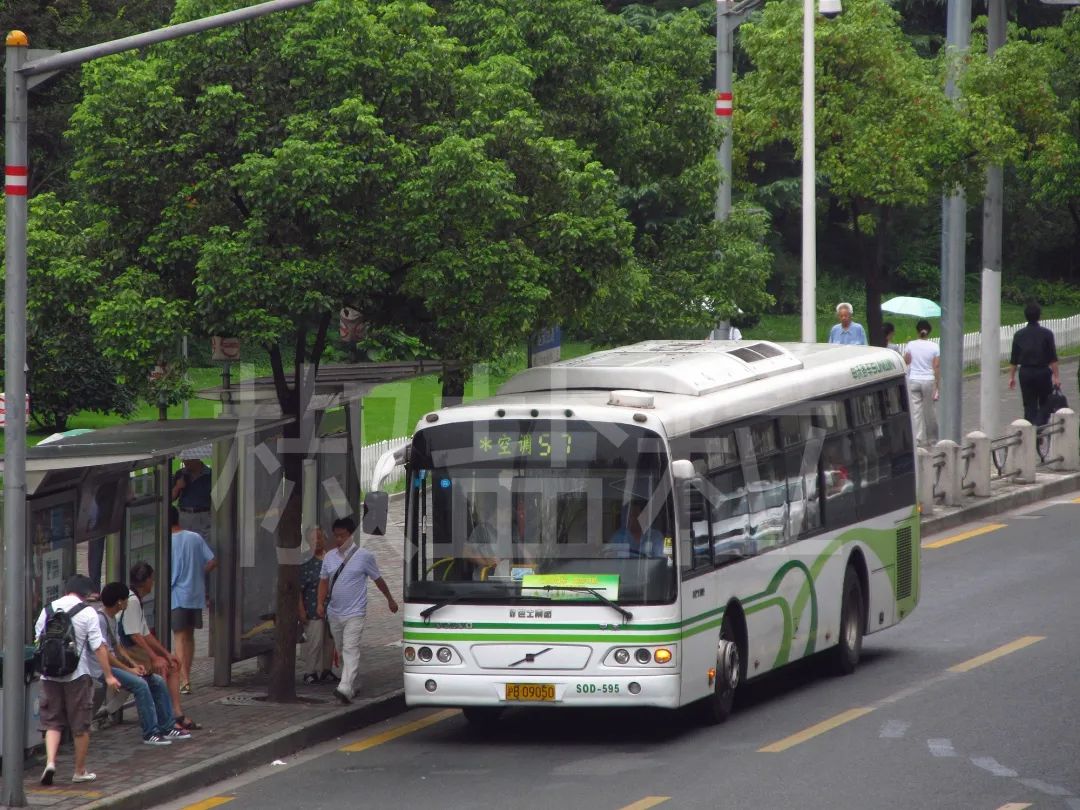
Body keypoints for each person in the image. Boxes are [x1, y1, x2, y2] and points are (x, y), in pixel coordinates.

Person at [34, 574, 120, 786]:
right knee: (80, 725)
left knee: (52, 721)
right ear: (86, 594)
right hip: (77, 675)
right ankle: (79, 770)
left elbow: (38, 642)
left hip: (50, 674)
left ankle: (51, 762)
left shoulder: (47, 609)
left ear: (67, 590)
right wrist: (108, 675)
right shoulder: (88, 613)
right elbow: (99, 646)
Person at [92, 582, 191, 745]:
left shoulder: (112, 619)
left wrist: (133, 665)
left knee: (157, 681)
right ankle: (150, 732)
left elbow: (119, 648)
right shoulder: (100, 620)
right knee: (140, 685)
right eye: (125, 600)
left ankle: (167, 726)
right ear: (119, 602)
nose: (126, 603)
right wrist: (129, 670)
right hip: (101, 668)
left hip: (115, 665)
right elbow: (106, 654)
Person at [317, 517, 398, 705]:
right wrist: (320, 603)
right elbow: (323, 581)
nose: (339, 540)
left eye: (342, 536)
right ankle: (353, 682)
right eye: (336, 536)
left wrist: (390, 600)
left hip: (355, 613)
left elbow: (378, 579)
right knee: (341, 648)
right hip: (334, 612)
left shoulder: (364, 556)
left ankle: (345, 687)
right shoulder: (329, 557)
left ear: (351, 535)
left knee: (350, 648)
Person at [120, 561, 200, 731]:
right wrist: (156, 657)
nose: (153, 583)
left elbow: (145, 633)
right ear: (147, 581)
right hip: (127, 651)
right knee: (165, 668)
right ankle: (169, 717)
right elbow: (135, 635)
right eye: (152, 579)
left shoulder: (135, 599)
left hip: (133, 649)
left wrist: (165, 653)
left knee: (172, 663)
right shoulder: (132, 601)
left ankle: (175, 713)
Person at [169, 505, 217, 695]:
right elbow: (213, 560)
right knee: (189, 636)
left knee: (179, 637)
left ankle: (184, 679)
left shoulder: (167, 542)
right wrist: (199, 572)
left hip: (176, 595)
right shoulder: (195, 538)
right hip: (195, 594)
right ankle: (186, 675)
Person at [1009, 300, 1060, 427]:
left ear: (1025, 315)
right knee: (1045, 402)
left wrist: (1011, 377)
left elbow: (1014, 359)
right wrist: (1056, 376)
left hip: (1025, 373)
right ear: (1039, 315)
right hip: (1042, 372)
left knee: (1029, 404)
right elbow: (1053, 358)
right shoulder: (1047, 334)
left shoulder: (1019, 335)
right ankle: (1040, 427)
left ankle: (1031, 429)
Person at [299, 527, 337, 684]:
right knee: (315, 641)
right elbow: (298, 589)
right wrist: (301, 610)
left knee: (330, 641)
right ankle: (310, 672)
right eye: (314, 538)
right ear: (308, 541)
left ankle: (326, 670)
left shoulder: (332, 558)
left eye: (320, 538)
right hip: (313, 607)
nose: (317, 541)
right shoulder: (304, 561)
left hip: (333, 608)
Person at [904, 319, 941, 447]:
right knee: (930, 410)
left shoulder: (910, 344)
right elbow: (936, 366)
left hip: (913, 379)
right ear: (929, 332)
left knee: (916, 411)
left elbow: (907, 361)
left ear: (917, 331)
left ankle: (918, 438)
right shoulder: (934, 346)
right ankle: (932, 439)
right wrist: (937, 384)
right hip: (928, 380)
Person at [172, 448, 212, 545]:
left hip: (202, 515)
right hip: (184, 515)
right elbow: (171, 498)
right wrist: (178, 487)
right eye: (184, 459)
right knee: (185, 543)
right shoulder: (180, 474)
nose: (185, 462)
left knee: (202, 544)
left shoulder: (210, 474)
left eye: (187, 459)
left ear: (196, 459)